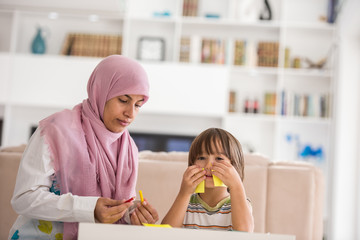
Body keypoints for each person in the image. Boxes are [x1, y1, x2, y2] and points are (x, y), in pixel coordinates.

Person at [9, 55, 159, 240]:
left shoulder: (128, 149)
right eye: (123, 100)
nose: (130, 113)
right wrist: (88, 209)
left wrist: (132, 213)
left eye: (138, 105)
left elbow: (115, 205)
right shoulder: (55, 131)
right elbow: (24, 198)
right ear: (100, 92)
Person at [161, 128, 254, 231]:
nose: (208, 165)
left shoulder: (240, 203)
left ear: (234, 167)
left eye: (219, 158)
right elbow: (165, 233)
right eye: (201, 158)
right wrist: (184, 193)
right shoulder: (186, 202)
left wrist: (236, 186)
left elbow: (245, 234)